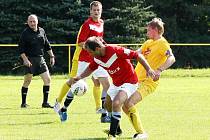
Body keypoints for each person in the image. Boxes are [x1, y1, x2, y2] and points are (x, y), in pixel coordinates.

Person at [67, 36, 157, 140]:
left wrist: (149, 69)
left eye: (90, 52)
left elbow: (137, 55)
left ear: (97, 48)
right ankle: (117, 130)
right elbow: (91, 68)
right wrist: (79, 77)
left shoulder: (115, 50)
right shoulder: (97, 58)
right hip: (116, 83)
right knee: (107, 104)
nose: (89, 54)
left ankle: (112, 134)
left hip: (130, 81)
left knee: (117, 103)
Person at [54, 1, 110, 123]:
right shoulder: (87, 24)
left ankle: (104, 115)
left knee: (107, 85)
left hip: (97, 59)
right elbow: (80, 42)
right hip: (84, 60)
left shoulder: (101, 23)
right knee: (75, 85)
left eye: (98, 10)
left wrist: (103, 46)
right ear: (90, 11)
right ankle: (63, 108)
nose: (97, 12)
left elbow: (100, 39)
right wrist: (91, 47)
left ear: (101, 11)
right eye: (94, 10)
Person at [122, 18, 176, 139]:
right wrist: (121, 54)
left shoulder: (162, 43)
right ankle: (135, 131)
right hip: (135, 80)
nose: (146, 31)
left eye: (149, 29)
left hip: (148, 82)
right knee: (124, 104)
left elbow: (171, 58)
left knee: (129, 102)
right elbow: (136, 53)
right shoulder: (147, 43)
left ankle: (141, 133)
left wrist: (159, 70)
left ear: (156, 30)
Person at [18, 14, 55, 108]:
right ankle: (23, 103)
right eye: (30, 21)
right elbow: (21, 49)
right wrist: (25, 60)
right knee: (27, 81)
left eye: (34, 21)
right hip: (29, 60)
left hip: (40, 59)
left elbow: (47, 44)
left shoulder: (42, 31)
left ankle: (45, 103)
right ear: (28, 22)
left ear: (37, 21)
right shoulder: (25, 33)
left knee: (47, 79)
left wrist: (51, 56)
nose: (32, 23)